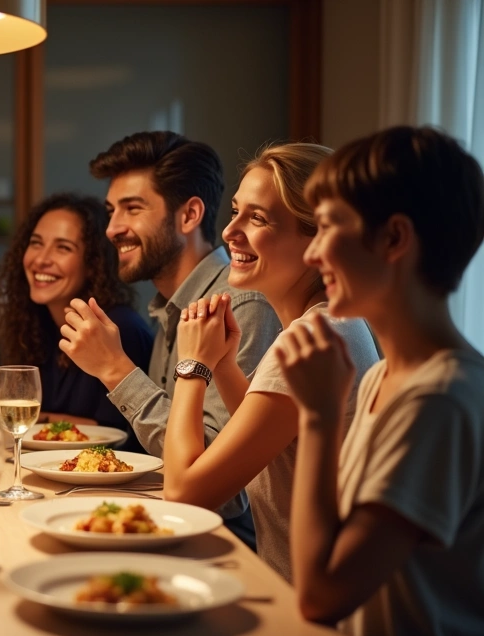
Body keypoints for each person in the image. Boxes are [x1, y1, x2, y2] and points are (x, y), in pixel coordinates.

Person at [274, 126, 484, 636]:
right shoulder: (381, 379)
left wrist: (320, 416)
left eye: (326, 228)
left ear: (394, 238)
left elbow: (321, 594)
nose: (311, 253)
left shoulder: (439, 400)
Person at [162, 143, 379, 581]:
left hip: (311, 609)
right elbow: (278, 442)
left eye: (257, 219)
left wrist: (194, 367)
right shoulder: (331, 323)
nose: (229, 231)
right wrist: (223, 365)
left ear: (318, 241)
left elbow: (183, 494)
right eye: (236, 211)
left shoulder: (313, 335)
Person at [59, 131, 283, 548]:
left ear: (189, 215)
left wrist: (116, 370)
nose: (111, 229)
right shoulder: (170, 306)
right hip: (174, 524)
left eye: (132, 209)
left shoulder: (239, 304)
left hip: (226, 546)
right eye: (111, 211)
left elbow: (225, 494)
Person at [0, 193, 152, 451]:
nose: (41, 259)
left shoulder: (119, 328)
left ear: (93, 264)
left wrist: (38, 418)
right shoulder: (31, 324)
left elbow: (111, 432)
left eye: (63, 248)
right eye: (36, 243)